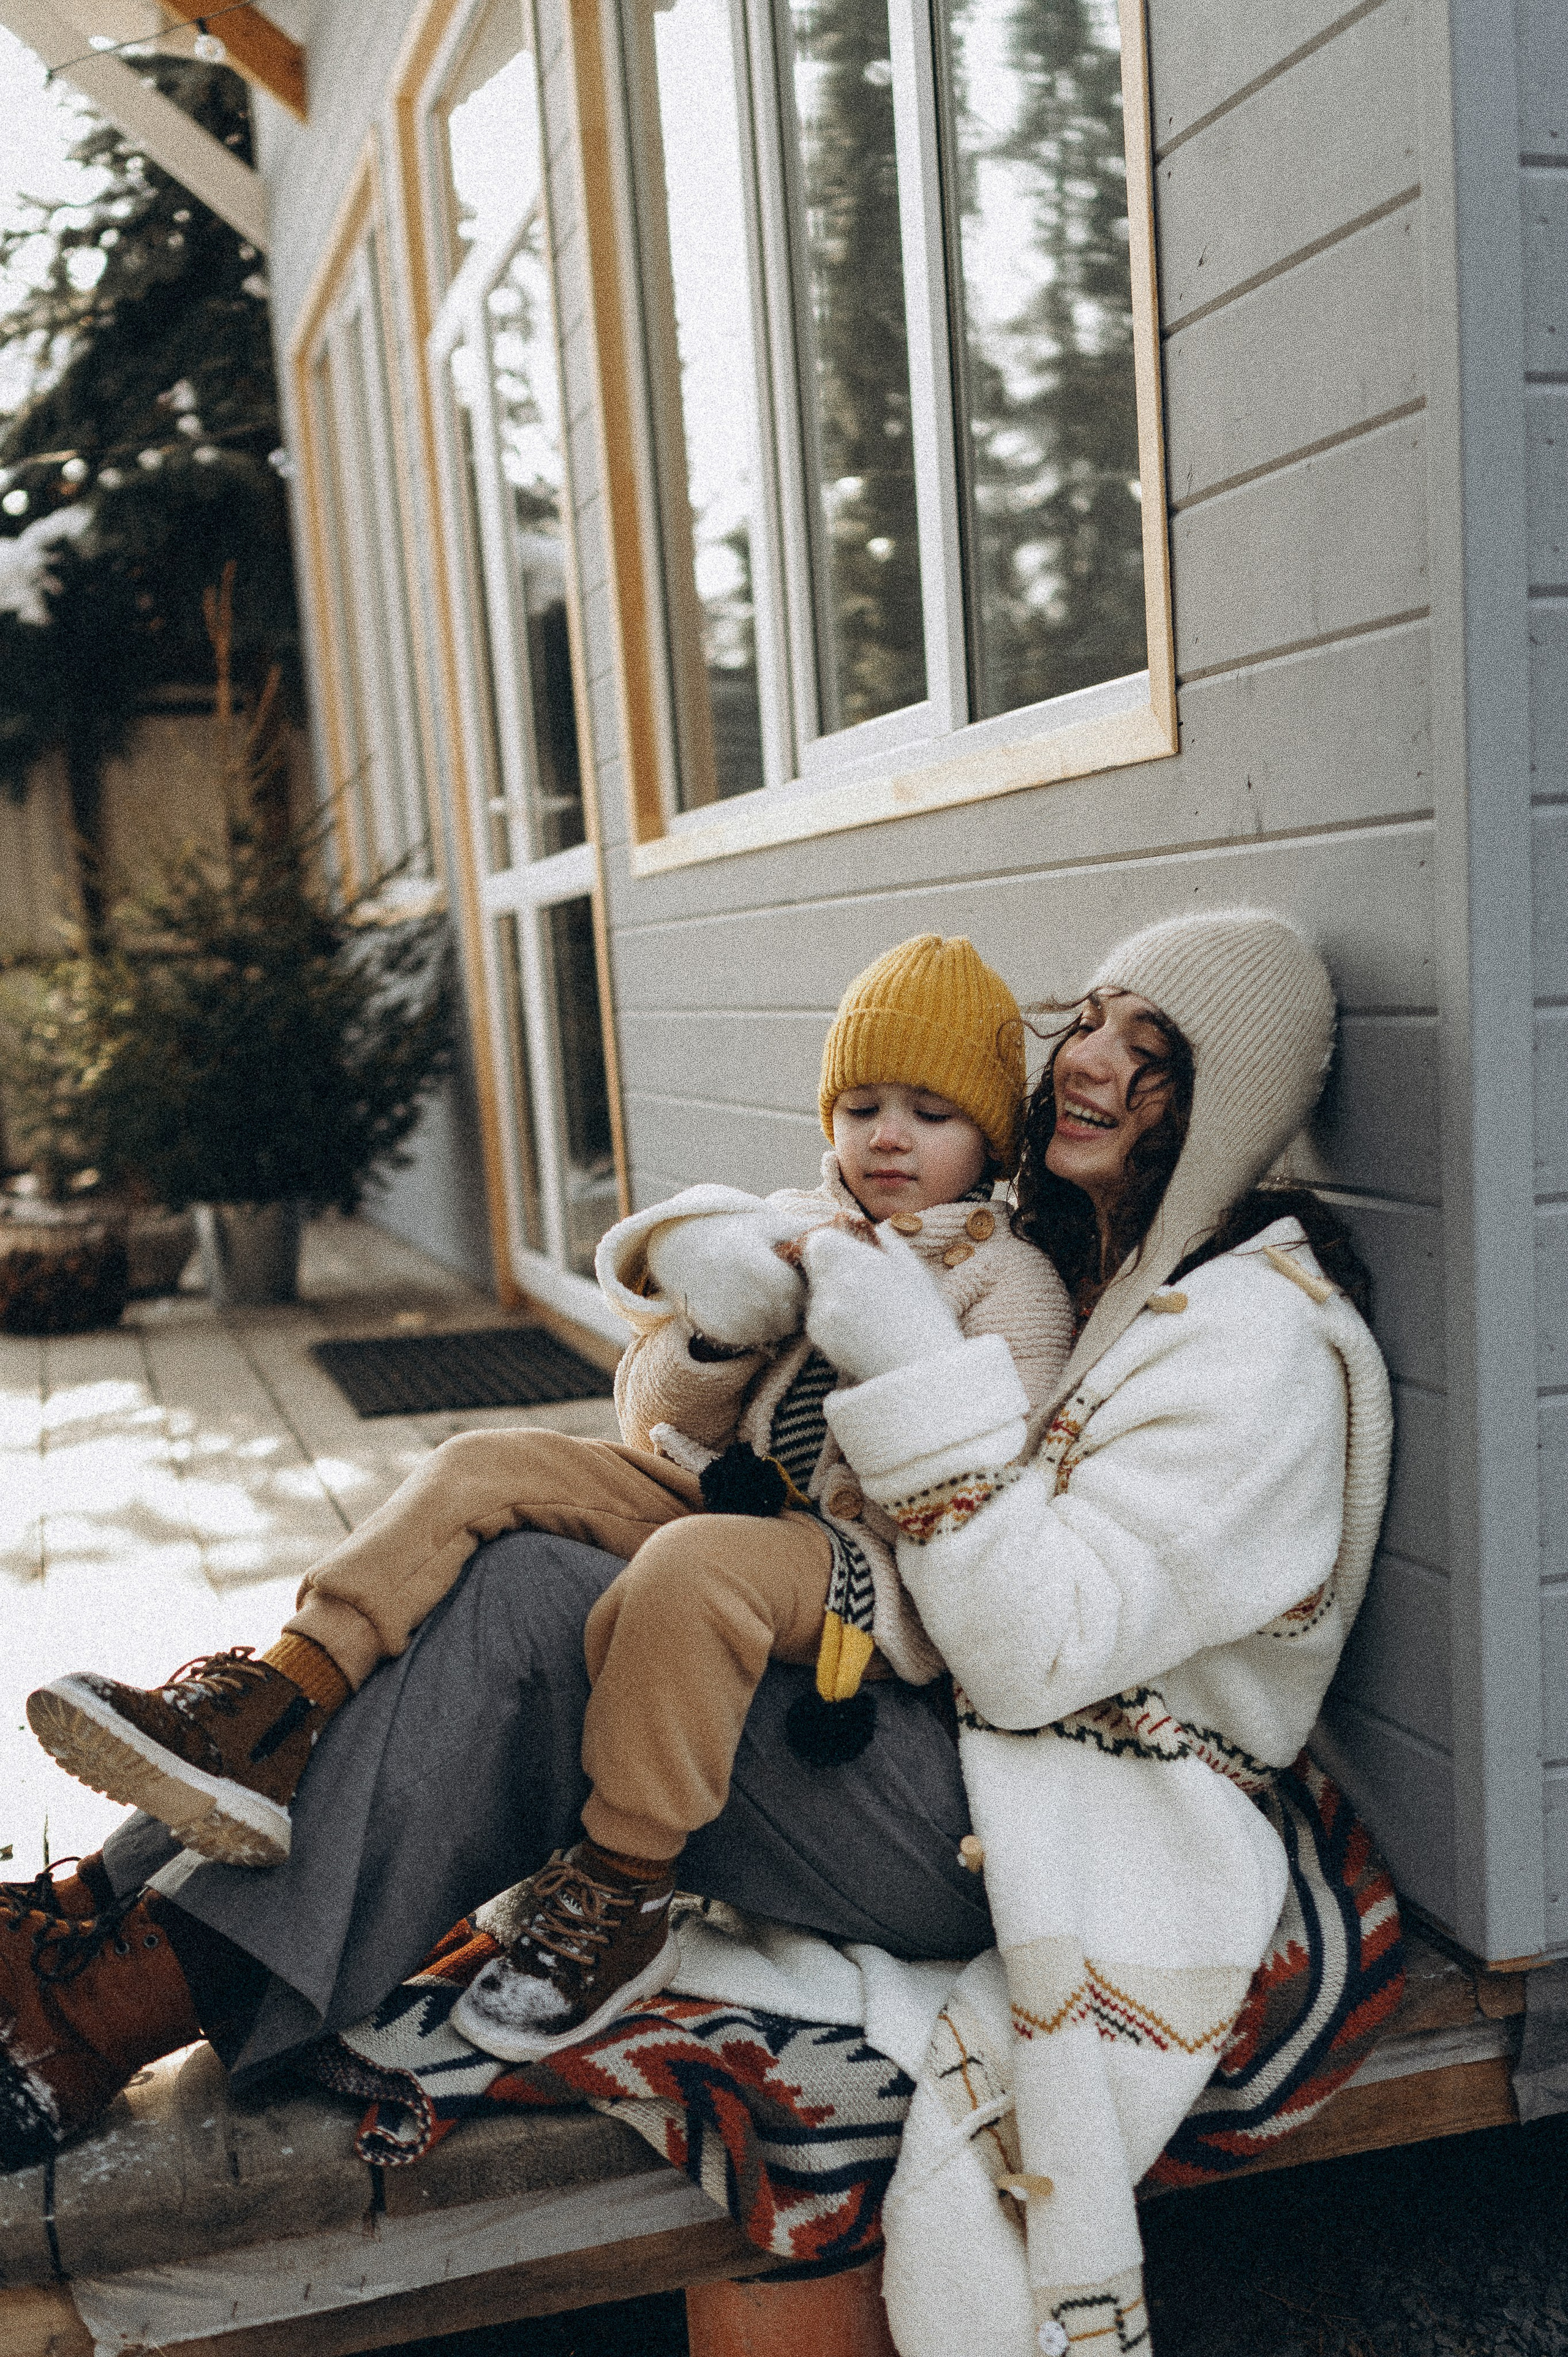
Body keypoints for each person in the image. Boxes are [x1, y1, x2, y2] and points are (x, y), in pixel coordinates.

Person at [0, 903, 1390, 2357]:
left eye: (1150, 1054)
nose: (1089, 1063)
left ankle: (108, 2005)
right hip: (921, 1722)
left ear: (1223, 1104)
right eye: (1090, 1020)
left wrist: (909, 1369)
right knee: (514, 1536)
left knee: (542, 1613)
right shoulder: (1069, 1240)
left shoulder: (1252, 1355)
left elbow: (1032, 1656)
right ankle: (104, 1919)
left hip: (1044, 1814)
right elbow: (696, 1417)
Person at [21, 934, 1072, 2072]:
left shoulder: (1002, 1280)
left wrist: (886, 1335)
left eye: (931, 1113)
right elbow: (654, 1418)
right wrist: (721, 1326)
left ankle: (623, 1886)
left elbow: (978, 1494)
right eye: (863, 1105)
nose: (888, 1137)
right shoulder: (790, 1226)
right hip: (729, 1496)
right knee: (485, 1468)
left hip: (860, 1577)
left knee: (688, 1573)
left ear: (995, 1139)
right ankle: (275, 1702)